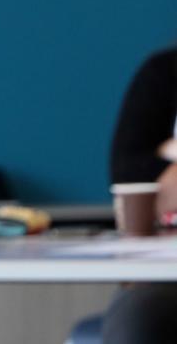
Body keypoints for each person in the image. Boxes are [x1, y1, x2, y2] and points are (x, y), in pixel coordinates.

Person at [98, 48, 177, 344]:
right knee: (140, 319)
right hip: (165, 274)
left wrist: (167, 152)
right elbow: (129, 179)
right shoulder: (164, 72)